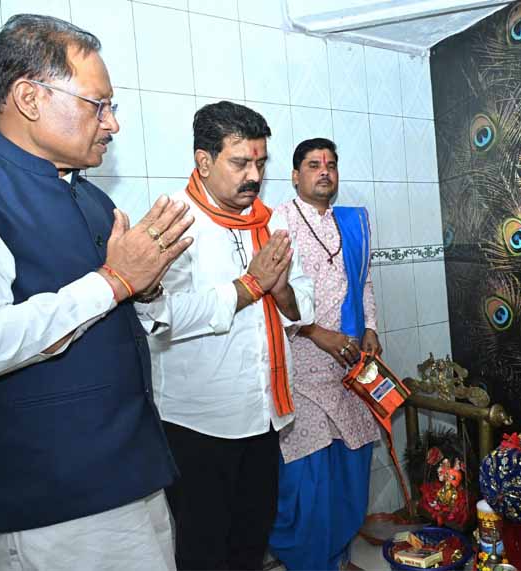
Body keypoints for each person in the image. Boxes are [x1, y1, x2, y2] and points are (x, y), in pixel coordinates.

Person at [0, 14, 194, 571]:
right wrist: (114, 281)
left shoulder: (92, 199)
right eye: (98, 105)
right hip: (49, 506)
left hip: (134, 476)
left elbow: (120, 316)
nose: (112, 124)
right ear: (29, 98)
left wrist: (145, 289)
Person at [136, 101, 314, 570]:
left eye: (261, 163)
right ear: (204, 161)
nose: (254, 176)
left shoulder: (271, 220)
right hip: (199, 425)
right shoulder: (173, 222)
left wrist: (280, 290)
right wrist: (249, 286)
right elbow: (158, 317)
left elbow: (302, 304)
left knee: (251, 542)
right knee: (203, 551)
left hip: (264, 415)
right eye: (240, 163)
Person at [268, 138, 382, 571]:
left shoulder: (350, 223)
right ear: (295, 175)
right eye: (314, 164)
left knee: (350, 466)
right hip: (301, 366)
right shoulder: (279, 220)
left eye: (331, 164)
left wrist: (370, 327)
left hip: (349, 367)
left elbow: (363, 281)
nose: (324, 172)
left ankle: (337, 557)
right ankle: (308, 561)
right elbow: (272, 292)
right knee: (308, 475)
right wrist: (316, 333)